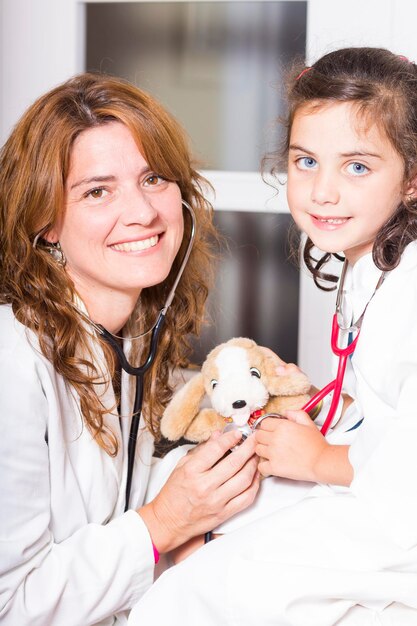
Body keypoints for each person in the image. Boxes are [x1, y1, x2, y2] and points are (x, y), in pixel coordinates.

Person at [128, 47, 417, 625]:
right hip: (371, 485)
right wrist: (338, 411)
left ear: (413, 181)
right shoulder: (372, 267)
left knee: (196, 592)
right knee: (175, 483)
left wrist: (319, 459)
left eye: (356, 166)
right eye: (306, 162)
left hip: (397, 520)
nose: (322, 191)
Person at [0, 73, 262, 625]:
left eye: (154, 178)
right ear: (45, 222)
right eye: (97, 190)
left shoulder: (131, 333)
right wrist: (164, 523)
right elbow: (11, 607)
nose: (143, 212)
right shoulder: (11, 361)